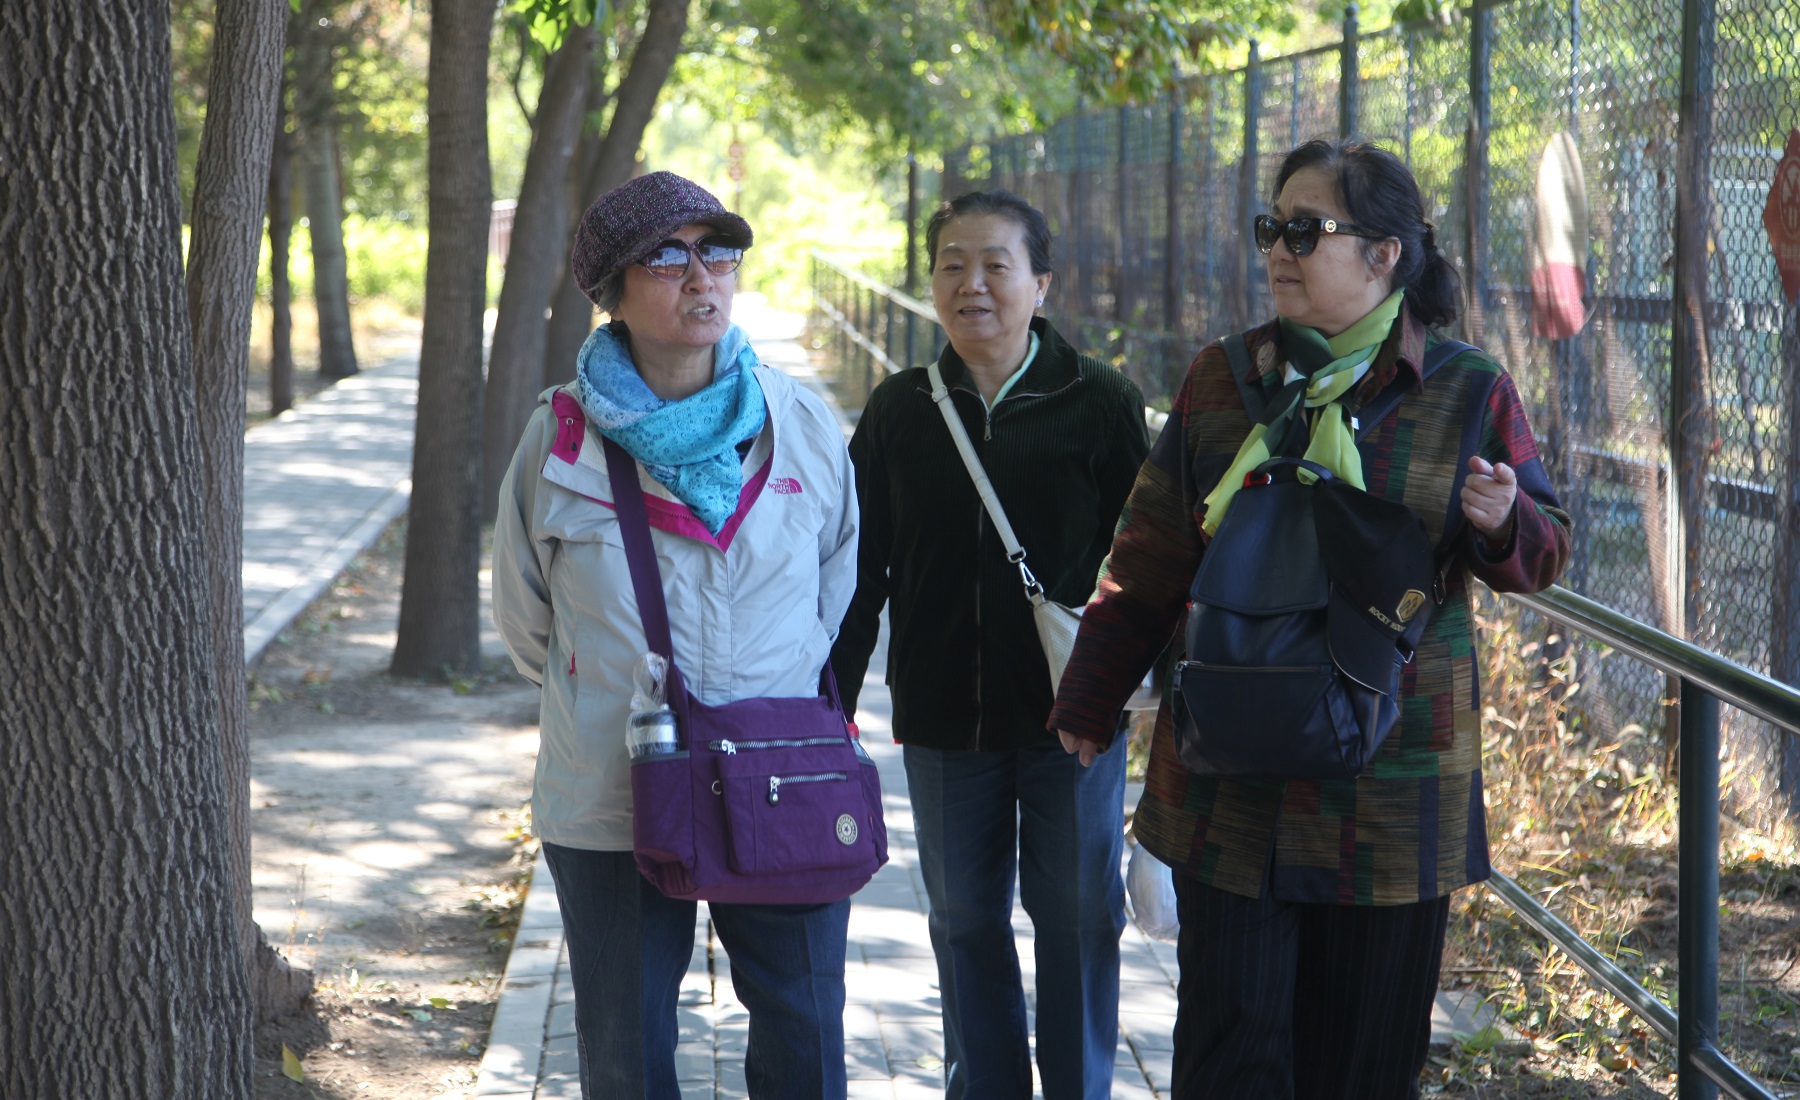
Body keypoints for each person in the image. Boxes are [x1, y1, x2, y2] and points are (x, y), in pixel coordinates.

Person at [1049, 138, 1573, 1099]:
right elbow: (1151, 554)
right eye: (1271, 228)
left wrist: (1506, 522)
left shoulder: (1465, 389)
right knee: (1227, 1064)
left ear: (1385, 254)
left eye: (1305, 230)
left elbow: (1544, 552)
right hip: (1229, 786)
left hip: (1393, 797)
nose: (1278, 251)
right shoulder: (1223, 379)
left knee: (1364, 1069)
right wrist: (1090, 698)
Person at [492, 171, 859, 1100]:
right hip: (612, 786)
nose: (701, 276)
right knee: (626, 1052)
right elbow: (529, 623)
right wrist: (609, 686)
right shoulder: (560, 440)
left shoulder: (798, 422)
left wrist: (751, 682)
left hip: (781, 772)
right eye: (665, 257)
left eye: (717, 251)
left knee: (806, 1041)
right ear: (610, 293)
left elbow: (835, 590)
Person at [830, 190, 1150, 1099]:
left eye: (995, 264)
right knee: (964, 918)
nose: (972, 283)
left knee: (1078, 916)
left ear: (1040, 284)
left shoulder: (1101, 402)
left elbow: (1148, 564)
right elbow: (859, 569)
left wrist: (1146, 700)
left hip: (1073, 718)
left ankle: (1080, 1086)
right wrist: (832, 704)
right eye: (951, 264)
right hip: (942, 718)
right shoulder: (899, 409)